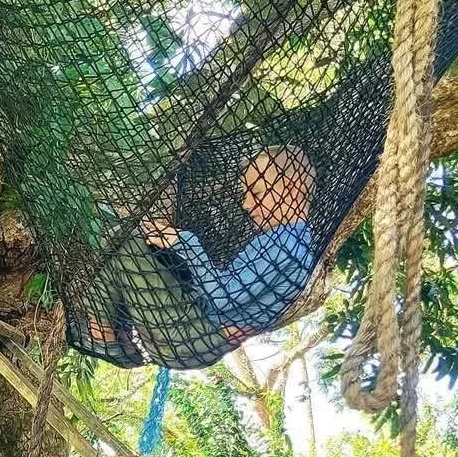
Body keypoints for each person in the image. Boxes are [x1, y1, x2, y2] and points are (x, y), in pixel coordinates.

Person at [88, 146, 317, 356]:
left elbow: (222, 298)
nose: (246, 205)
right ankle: (121, 337)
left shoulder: (290, 245)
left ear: (293, 188)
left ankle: (105, 339)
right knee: (143, 244)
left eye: (256, 193)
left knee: (126, 240)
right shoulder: (287, 238)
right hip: (195, 324)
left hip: (195, 335)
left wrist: (186, 243)